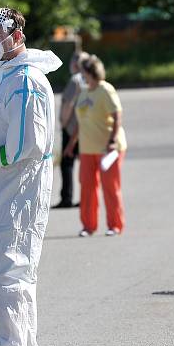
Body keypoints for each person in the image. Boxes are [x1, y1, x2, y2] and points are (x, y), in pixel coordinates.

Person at [0, 7, 61, 346]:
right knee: (17, 270)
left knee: (6, 271)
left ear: (17, 36)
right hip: (9, 189)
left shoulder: (25, 80)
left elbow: (27, 144)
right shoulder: (9, 75)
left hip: (18, 189)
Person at [63, 55, 127, 237]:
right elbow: (81, 122)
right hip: (87, 149)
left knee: (110, 187)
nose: (81, 75)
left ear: (90, 72)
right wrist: (71, 144)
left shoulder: (105, 89)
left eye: (83, 71)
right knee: (87, 187)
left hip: (108, 149)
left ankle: (115, 225)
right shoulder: (83, 92)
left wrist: (113, 140)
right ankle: (88, 226)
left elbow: (117, 116)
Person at [54, 51, 89, 208]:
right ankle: (86, 196)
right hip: (85, 127)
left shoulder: (75, 80)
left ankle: (66, 197)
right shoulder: (88, 80)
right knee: (84, 164)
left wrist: (63, 122)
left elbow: (68, 104)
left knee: (67, 164)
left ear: (75, 64)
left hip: (71, 127)